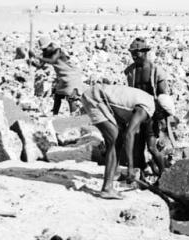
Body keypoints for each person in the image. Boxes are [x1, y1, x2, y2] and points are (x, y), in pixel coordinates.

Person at [75, 84, 175, 199]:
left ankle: (113, 174)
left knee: (117, 140)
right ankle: (107, 188)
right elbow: (129, 134)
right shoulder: (146, 109)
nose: (162, 118)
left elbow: (122, 115)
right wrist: (130, 167)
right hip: (95, 98)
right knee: (114, 139)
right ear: (161, 110)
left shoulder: (149, 100)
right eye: (164, 115)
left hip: (100, 99)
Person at [124, 37, 174, 176]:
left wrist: (162, 118)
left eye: (137, 53)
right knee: (137, 146)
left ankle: (164, 173)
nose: (134, 56)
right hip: (138, 112)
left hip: (152, 114)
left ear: (145, 52)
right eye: (132, 53)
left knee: (152, 147)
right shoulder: (130, 71)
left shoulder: (156, 71)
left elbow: (163, 96)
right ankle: (142, 171)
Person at [29, 36, 85, 115]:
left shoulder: (57, 51)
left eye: (45, 48)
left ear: (50, 45)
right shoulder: (46, 54)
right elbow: (40, 66)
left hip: (72, 76)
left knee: (71, 97)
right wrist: (31, 61)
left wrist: (36, 56)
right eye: (43, 49)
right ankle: (54, 115)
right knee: (58, 95)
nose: (44, 50)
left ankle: (74, 116)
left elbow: (52, 60)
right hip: (63, 78)